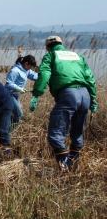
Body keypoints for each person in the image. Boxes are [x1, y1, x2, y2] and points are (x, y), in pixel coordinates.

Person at [29, 36, 98, 172]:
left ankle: (65, 166)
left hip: (68, 95)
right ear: (62, 44)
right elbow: (90, 78)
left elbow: (43, 75)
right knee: (77, 134)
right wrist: (93, 100)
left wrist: (36, 94)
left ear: (48, 46)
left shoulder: (51, 56)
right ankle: (74, 165)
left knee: (55, 134)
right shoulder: (77, 56)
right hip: (85, 95)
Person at [5, 55, 38, 125]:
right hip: (9, 95)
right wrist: (19, 89)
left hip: (16, 96)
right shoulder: (15, 71)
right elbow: (8, 84)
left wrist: (44, 77)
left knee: (16, 114)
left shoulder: (26, 70)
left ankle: (8, 129)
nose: (30, 68)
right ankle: (6, 131)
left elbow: (34, 76)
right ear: (26, 63)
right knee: (19, 114)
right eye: (30, 66)